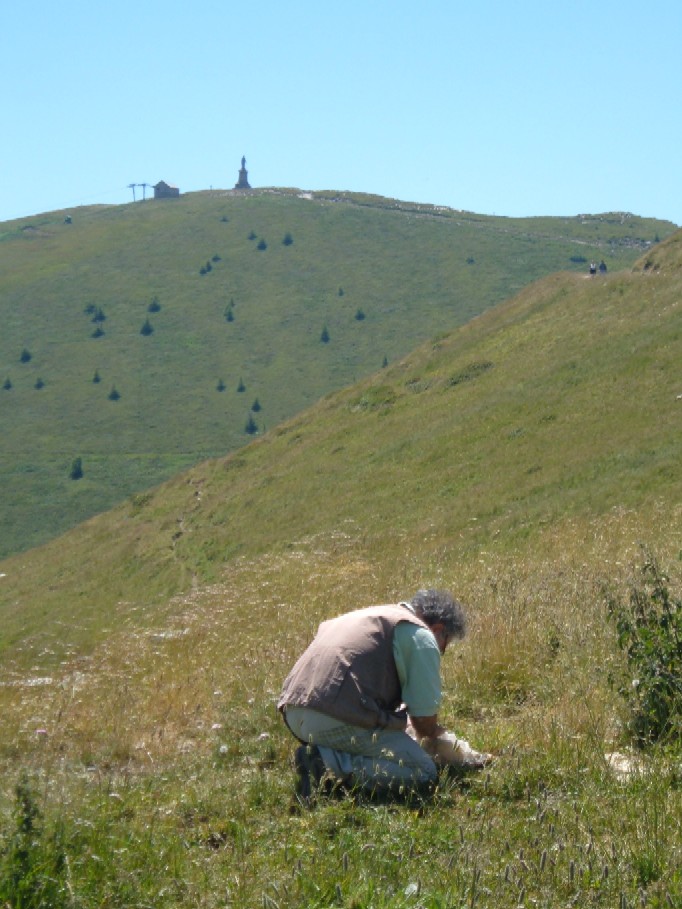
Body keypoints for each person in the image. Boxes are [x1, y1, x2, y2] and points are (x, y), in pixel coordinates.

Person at [278, 589, 492, 801]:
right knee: (423, 771)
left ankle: (325, 751)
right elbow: (424, 725)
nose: (440, 654)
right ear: (438, 629)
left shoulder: (373, 616)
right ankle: (329, 763)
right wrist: (460, 754)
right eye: (443, 648)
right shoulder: (421, 635)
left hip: (294, 712)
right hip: (334, 718)